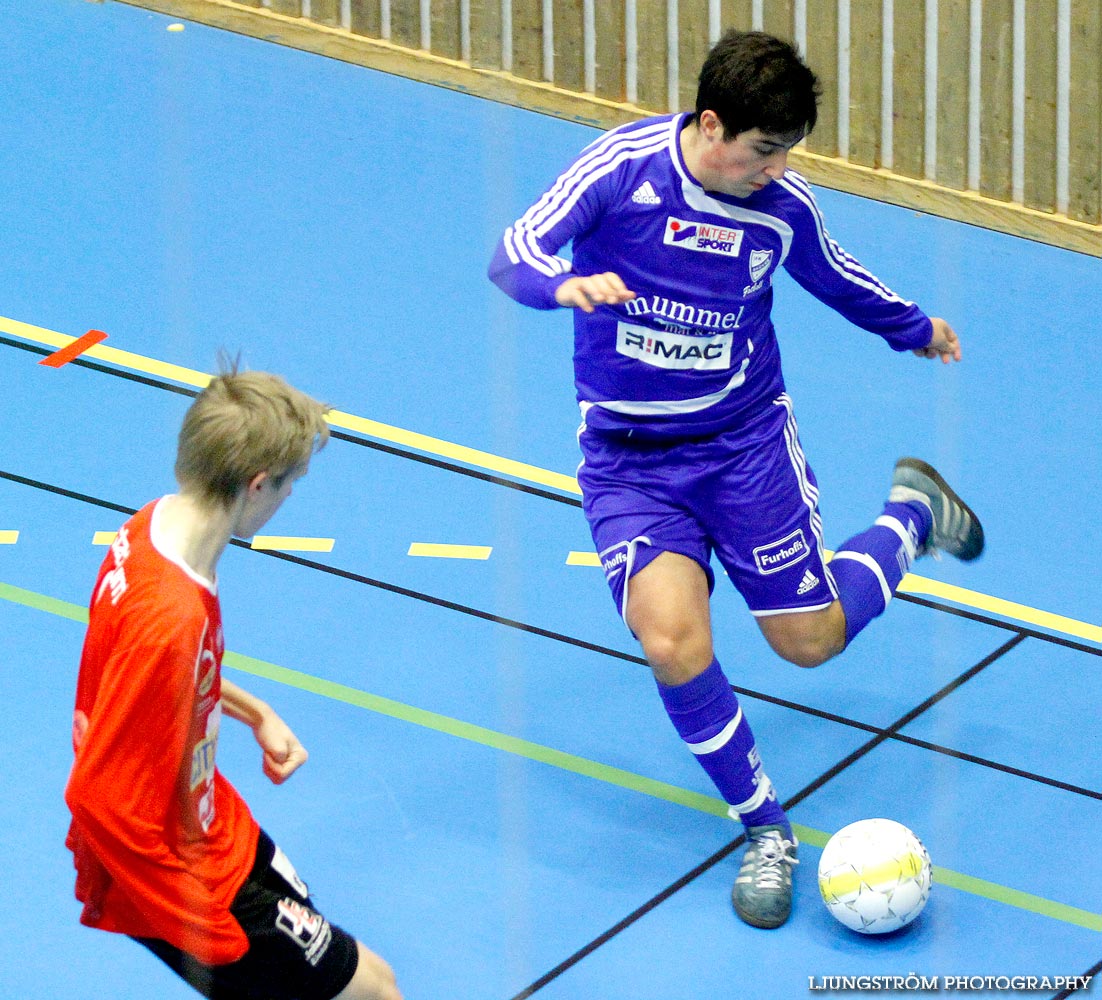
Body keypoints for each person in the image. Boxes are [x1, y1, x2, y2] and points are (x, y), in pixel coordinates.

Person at [489, 29, 983, 930]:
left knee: (810, 642)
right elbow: (513, 252)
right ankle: (766, 829)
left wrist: (913, 327)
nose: (775, 170)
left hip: (743, 447)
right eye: (763, 151)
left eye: (789, 153)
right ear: (711, 125)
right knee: (673, 642)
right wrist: (562, 288)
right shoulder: (621, 169)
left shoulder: (778, 205)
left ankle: (912, 512)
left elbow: (835, 276)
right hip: (631, 463)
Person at [64, 367, 402, 999]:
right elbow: (97, 800)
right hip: (184, 875)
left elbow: (149, 677)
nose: (288, 498)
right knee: (376, 990)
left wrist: (252, 710)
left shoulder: (152, 528)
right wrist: (201, 925)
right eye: (289, 483)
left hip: (209, 821)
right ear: (255, 484)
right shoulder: (173, 616)